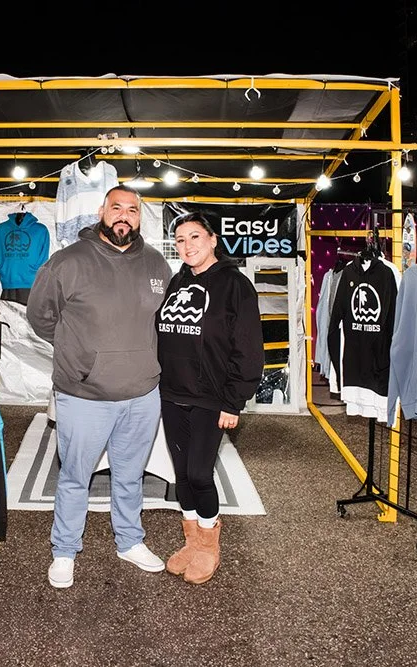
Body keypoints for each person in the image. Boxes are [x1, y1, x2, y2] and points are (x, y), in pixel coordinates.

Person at [26, 184, 173, 589]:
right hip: (84, 397)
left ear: (140, 216)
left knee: (130, 477)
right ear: (101, 211)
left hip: (143, 395)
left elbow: (163, 321)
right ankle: (64, 551)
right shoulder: (68, 261)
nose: (124, 215)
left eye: (132, 209)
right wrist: (82, 355)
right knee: (75, 477)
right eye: (116, 207)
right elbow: (40, 318)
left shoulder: (157, 265)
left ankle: (129, 542)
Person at [154, 212, 263, 585]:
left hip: (211, 398)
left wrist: (234, 401)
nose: (188, 246)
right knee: (181, 474)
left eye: (195, 237)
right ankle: (192, 541)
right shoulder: (178, 280)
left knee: (200, 473)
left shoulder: (235, 285)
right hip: (172, 393)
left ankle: (209, 545)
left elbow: (248, 348)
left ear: (213, 239)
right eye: (180, 240)